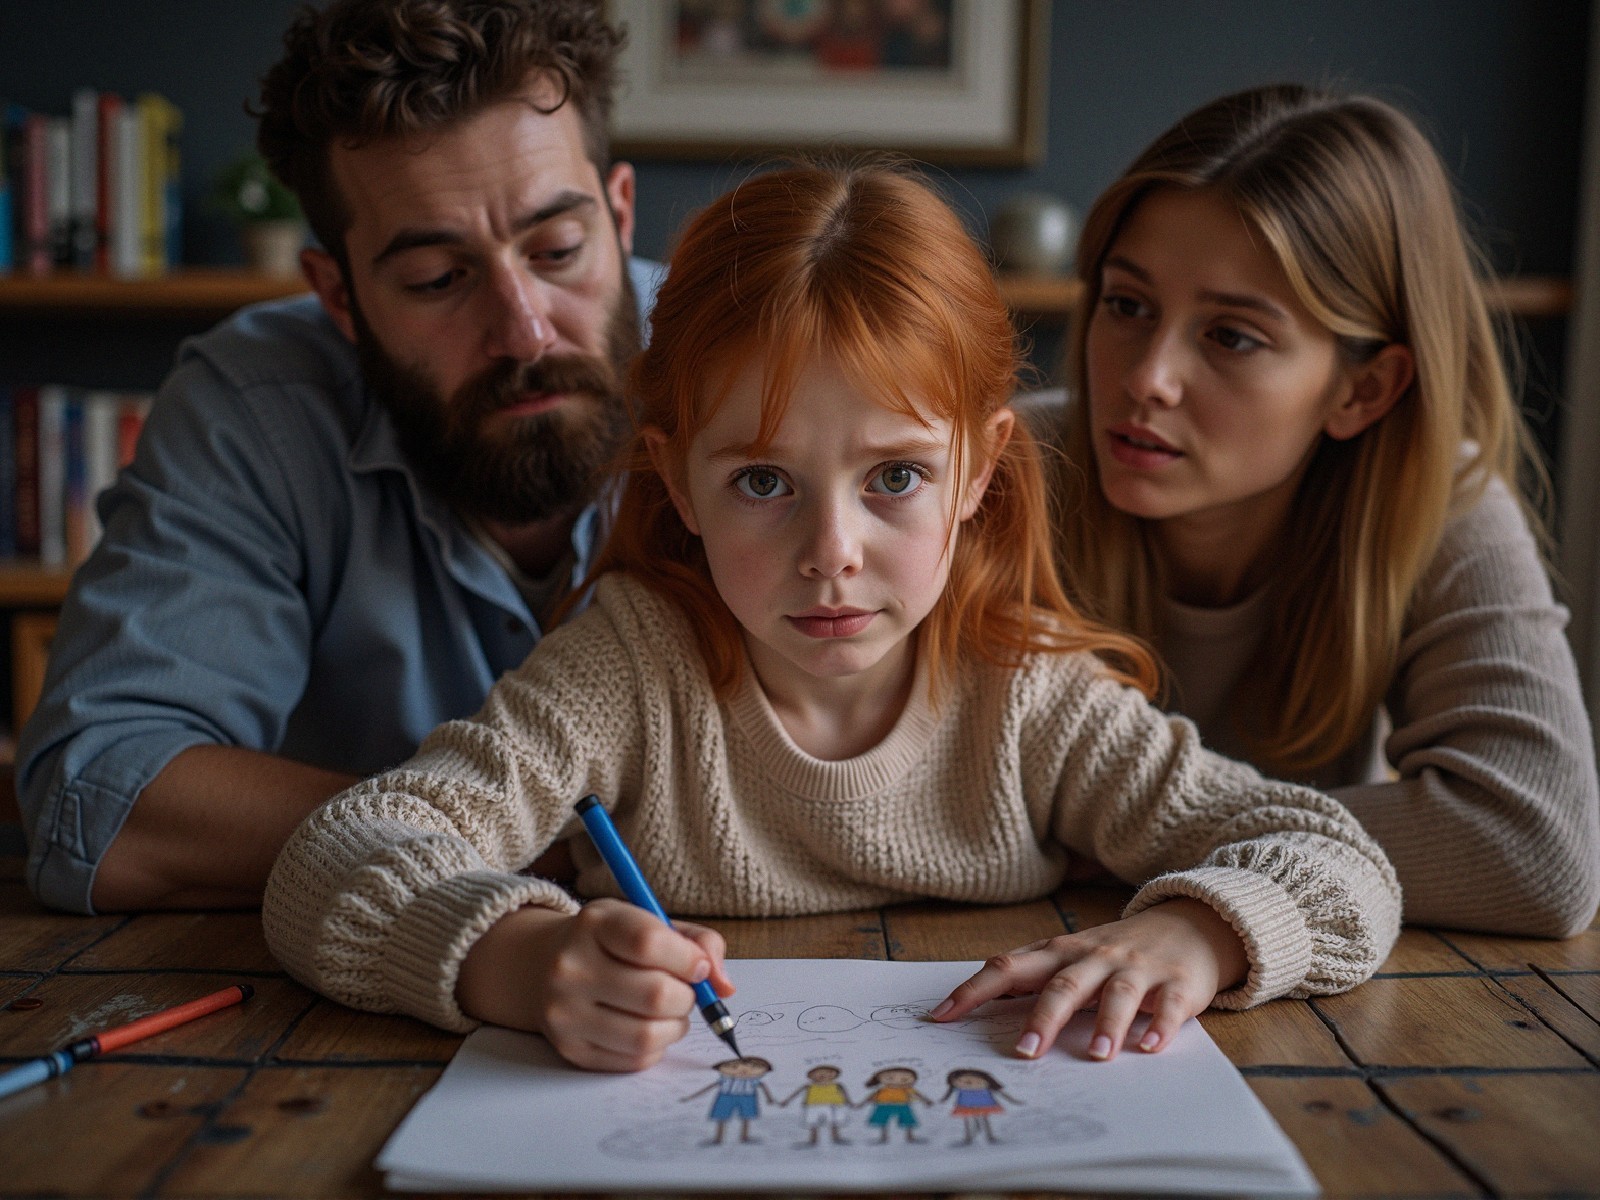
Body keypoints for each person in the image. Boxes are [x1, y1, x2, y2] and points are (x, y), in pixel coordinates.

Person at [262, 161, 1401, 1074]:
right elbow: (335, 860)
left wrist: (1202, 931)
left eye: (896, 478)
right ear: (678, 482)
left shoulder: (1028, 691)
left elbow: (1339, 862)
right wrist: (514, 958)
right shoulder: (629, 663)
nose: (830, 555)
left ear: (978, 472)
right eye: (762, 482)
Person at [16, 0, 660, 915]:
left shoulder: (761, 368)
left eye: (558, 249)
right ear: (341, 296)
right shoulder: (253, 408)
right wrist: (509, 835)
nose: (522, 330)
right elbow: (104, 799)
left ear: (619, 213)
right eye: (438, 279)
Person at [1050, 84, 1600, 938]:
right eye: (1128, 306)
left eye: (1232, 336)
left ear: (1364, 389)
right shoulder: (994, 472)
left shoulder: (1435, 503)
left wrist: (1113, 833)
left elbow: (1536, 852)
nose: (1146, 377)